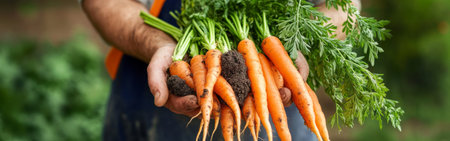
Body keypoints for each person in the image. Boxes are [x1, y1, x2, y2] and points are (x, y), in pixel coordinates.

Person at [82, 0, 360, 140]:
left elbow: (345, 8)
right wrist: (156, 45)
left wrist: (290, 46)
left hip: (278, 114)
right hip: (147, 103)